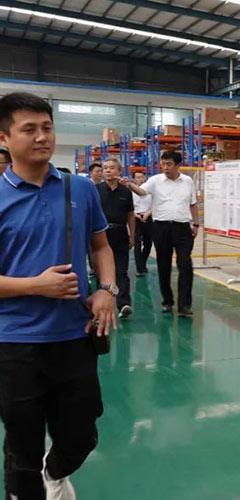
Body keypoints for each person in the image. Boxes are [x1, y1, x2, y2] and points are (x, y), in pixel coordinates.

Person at [0, 92, 117, 499]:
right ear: (4, 138)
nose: (41, 137)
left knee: (81, 434)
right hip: (15, 343)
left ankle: (55, 472)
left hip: (73, 336)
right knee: (22, 444)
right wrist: (36, 285)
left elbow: (101, 246)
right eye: (29, 129)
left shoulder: (80, 188)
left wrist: (106, 289)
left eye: (47, 127)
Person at [124, 150, 198, 317]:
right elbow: (141, 192)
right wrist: (129, 184)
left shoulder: (187, 181)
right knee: (163, 265)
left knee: (185, 265)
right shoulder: (155, 180)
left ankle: (184, 305)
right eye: (163, 164)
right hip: (161, 228)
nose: (165, 167)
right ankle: (167, 301)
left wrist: (196, 224)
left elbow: (193, 204)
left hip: (183, 228)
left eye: (169, 164)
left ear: (177, 165)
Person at [98, 157, 135, 319]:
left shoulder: (125, 192)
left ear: (119, 171)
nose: (108, 170)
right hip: (101, 236)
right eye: (105, 168)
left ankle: (124, 304)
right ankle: (101, 305)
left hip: (120, 234)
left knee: (121, 271)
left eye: (112, 168)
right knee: (102, 272)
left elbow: (130, 215)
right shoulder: (95, 190)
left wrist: (132, 235)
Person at [132, 170, 153, 277]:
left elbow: (155, 205)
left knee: (148, 243)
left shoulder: (150, 191)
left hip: (148, 218)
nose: (140, 179)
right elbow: (129, 208)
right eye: (138, 177)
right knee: (137, 244)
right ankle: (139, 269)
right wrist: (136, 215)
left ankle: (143, 262)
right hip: (135, 219)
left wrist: (148, 213)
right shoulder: (130, 192)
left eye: (142, 177)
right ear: (134, 179)